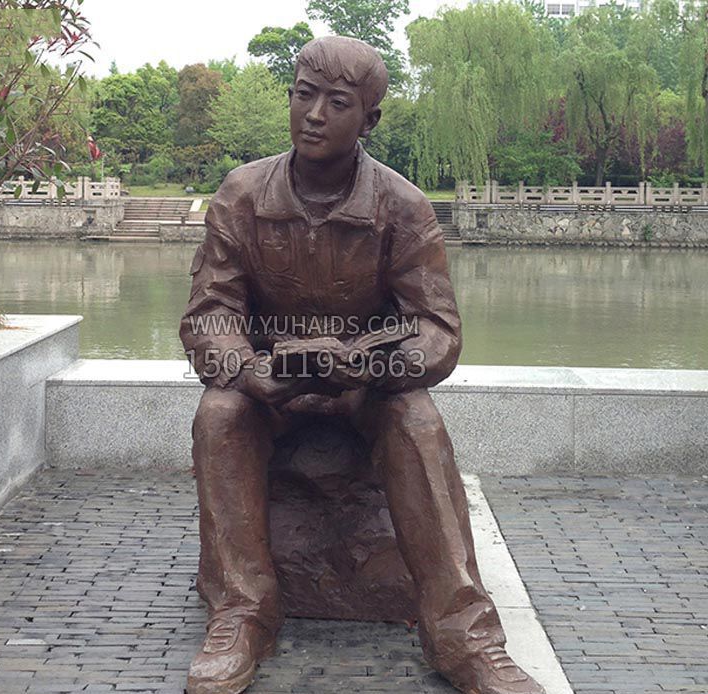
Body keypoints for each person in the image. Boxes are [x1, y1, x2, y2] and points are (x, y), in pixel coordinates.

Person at [179, 36, 545, 694]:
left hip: (367, 388)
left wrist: (377, 370)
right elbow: (210, 313)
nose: (313, 113)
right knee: (219, 414)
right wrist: (250, 369)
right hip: (274, 389)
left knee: (418, 423)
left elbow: (438, 328)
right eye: (303, 95)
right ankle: (242, 612)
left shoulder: (402, 207)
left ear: (368, 120)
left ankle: (465, 638)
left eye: (336, 102)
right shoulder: (241, 195)